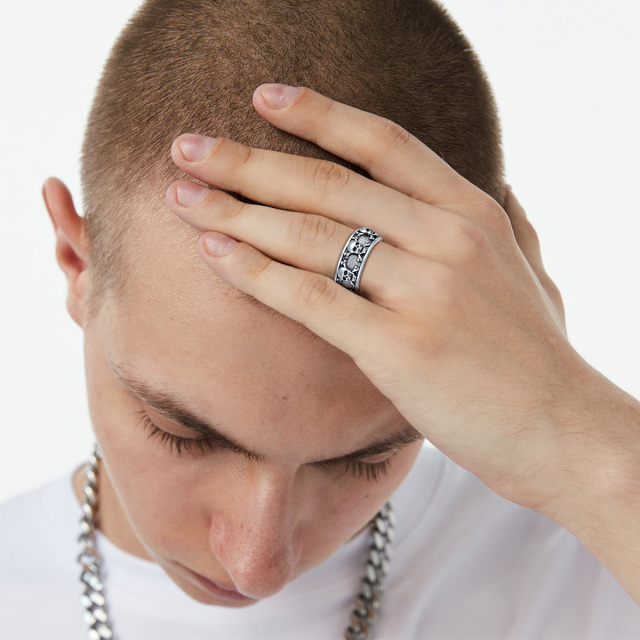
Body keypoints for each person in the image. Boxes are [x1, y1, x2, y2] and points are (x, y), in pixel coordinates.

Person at [1, 0, 640, 638]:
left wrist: (587, 444)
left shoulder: (589, 556)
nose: (258, 566)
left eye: (361, 462)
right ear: (76, 264)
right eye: (183, 435)